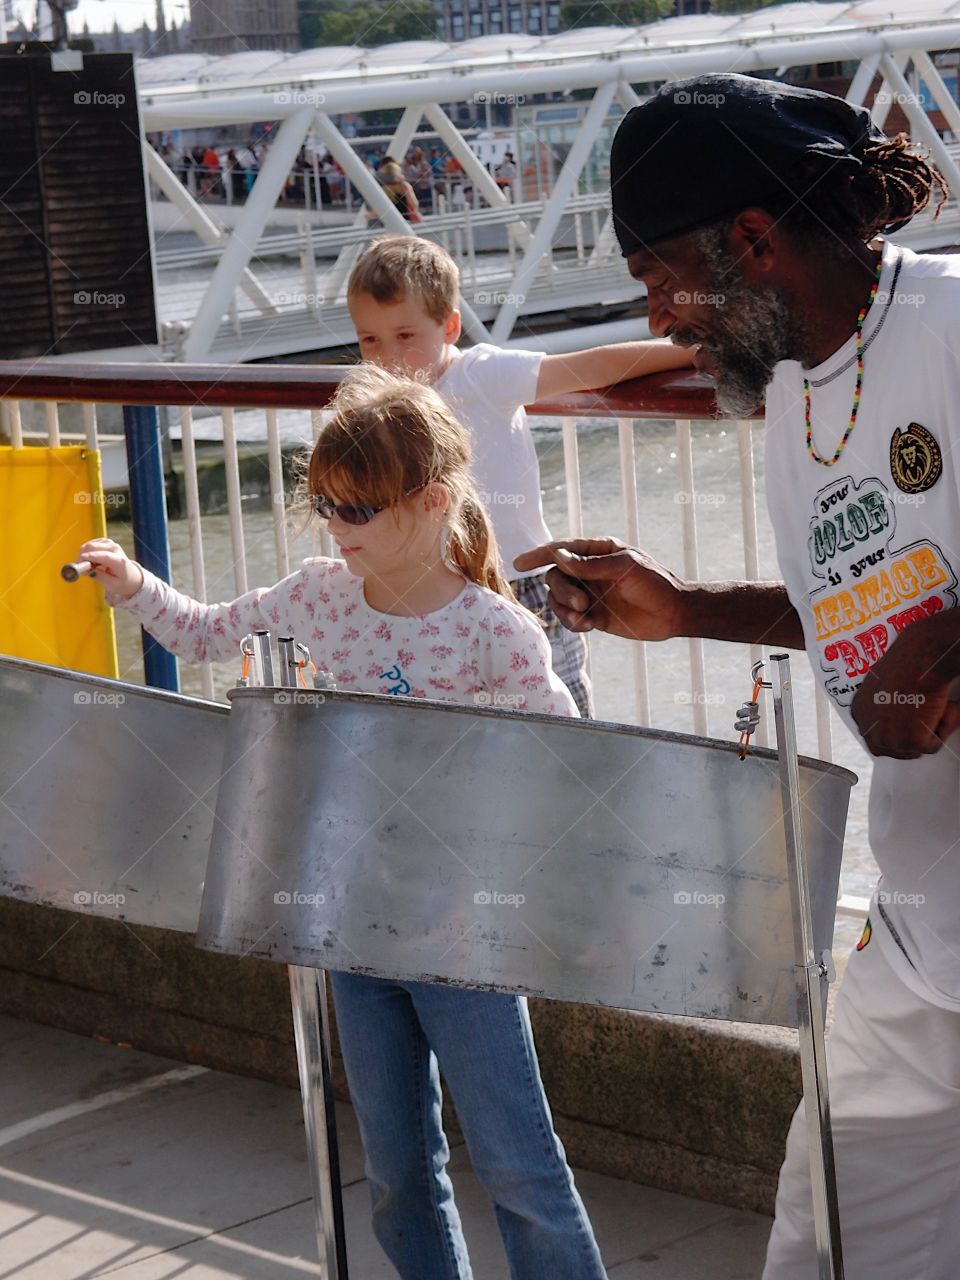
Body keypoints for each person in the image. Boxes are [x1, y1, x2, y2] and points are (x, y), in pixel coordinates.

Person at [516, 72, 960, 1280]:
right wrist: (690, 611)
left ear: (754, 242)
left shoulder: (952, 327)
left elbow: (927, 635)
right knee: (824, 1230)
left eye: (663, 278)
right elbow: (863, 610)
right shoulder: (788, 396)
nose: (662, 321)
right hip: (927, 917)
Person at [75, 364, 609, 1280]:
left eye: (357, 508)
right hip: (354, 930)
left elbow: (565, 766)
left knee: (519, 1166)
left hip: (467, 937)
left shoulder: (495, 629)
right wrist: (129, 581)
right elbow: (209, 633)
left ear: (433, 501)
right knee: (400, 1174)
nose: (335, 525)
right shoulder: (321, 594)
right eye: (325, 502)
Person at [346, 234, 696, 717]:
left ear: (449, 327)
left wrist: (695, 354)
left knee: (562, 719)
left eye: (405, 336)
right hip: (436, 594)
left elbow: (592, 367)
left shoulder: (480, 375)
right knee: (463, 725)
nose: (387, 356)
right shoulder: (376, 406)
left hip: (520, 584)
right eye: (370, 339)